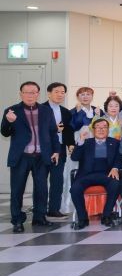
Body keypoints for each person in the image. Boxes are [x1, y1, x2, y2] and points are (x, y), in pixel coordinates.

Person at [2, 81, 60, 232]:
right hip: (21, 157)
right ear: (21, 94)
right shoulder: (12, 111)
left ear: (38, 94)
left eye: (33, 92)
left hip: (42, 156)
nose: (30, 95)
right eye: (27, 92)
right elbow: (5, 132)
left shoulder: (46, 111)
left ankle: (39, 218)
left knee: (41, 189)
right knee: (17, 190)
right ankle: (17, 220)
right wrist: (8, 121)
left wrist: (56, 150)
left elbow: (53, 132)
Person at [70, 118, 122, 229]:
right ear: (93, 130)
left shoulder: (115, 142)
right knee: (75, 188)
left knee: (115, 184)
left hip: (106, 174)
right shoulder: (86, 142)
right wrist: (80, 141)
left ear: (108, 130)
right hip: (86, 175)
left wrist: (115, 168)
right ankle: (83, 218)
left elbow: (118, 159)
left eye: (104, 127)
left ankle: (106, 216)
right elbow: (74, 157)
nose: (101, 130)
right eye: (98, 127)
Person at [43, 82, 75, 219]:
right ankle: (40, 210)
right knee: (41, 181)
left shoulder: (65, 112)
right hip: (43, 150)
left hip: (60, 149)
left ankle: (54, 209)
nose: (60, 95)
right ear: (49, 93)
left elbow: (68, 130)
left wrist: (70, 144)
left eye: (62, 92)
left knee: (57, 180)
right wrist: (54, 129)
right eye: (56, 92)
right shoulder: (41, 109)